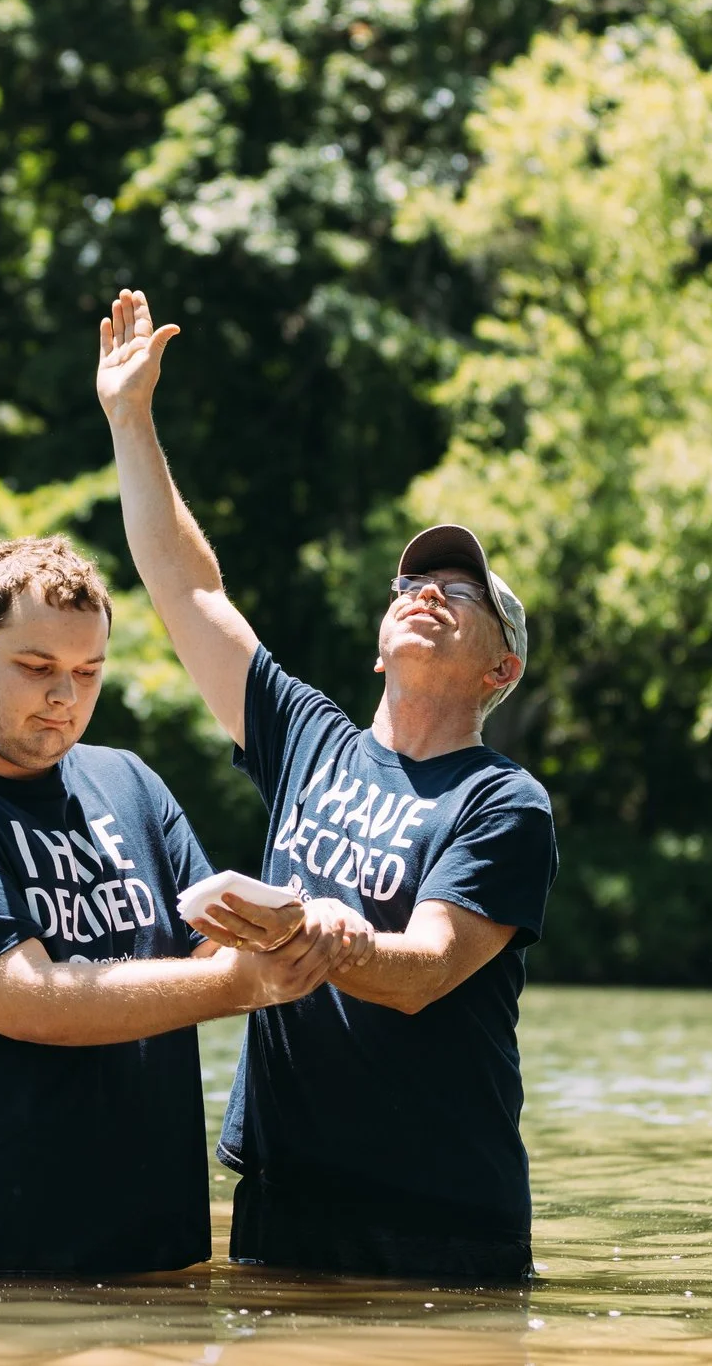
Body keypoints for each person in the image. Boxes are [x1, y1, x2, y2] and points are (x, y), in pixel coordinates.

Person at [95, 289, 561, 1284]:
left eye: (464, 593)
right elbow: (190, 590)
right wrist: (131, 420)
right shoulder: (310, 738)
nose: (428, 592)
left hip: (438, 1218)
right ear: (381, 642)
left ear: (500, 669)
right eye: (414, 586)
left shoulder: (502, 801)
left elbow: (429, 965)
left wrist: (338, 939)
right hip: (287, 1196)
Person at [0, 535, 356, 1276]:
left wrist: (290, 933)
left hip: (141, 1273)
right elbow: (28, 999)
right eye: (37, 668)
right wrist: (242, 984)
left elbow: (212, 948)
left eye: (88, 672)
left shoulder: (130, 783)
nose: (65, 697)